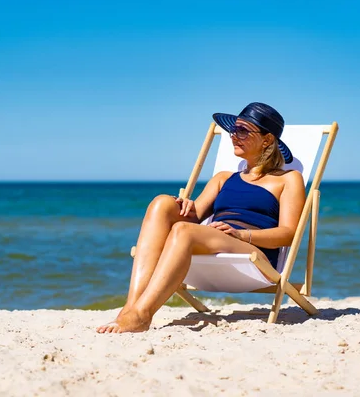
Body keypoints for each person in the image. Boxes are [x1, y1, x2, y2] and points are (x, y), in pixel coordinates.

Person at [96, 102, 306, 333]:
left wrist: (242, 234)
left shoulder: (288, 179)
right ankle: (131, 308)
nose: (234, 136)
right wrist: (185, 206)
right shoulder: (223, 178)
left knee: (182, 231)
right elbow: (193, 216)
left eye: (243, 131)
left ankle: (142, 315)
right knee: (162, 203)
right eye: (234, 130)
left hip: (254, 251)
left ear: (267, 140)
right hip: (216, 239)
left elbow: (288, 234)